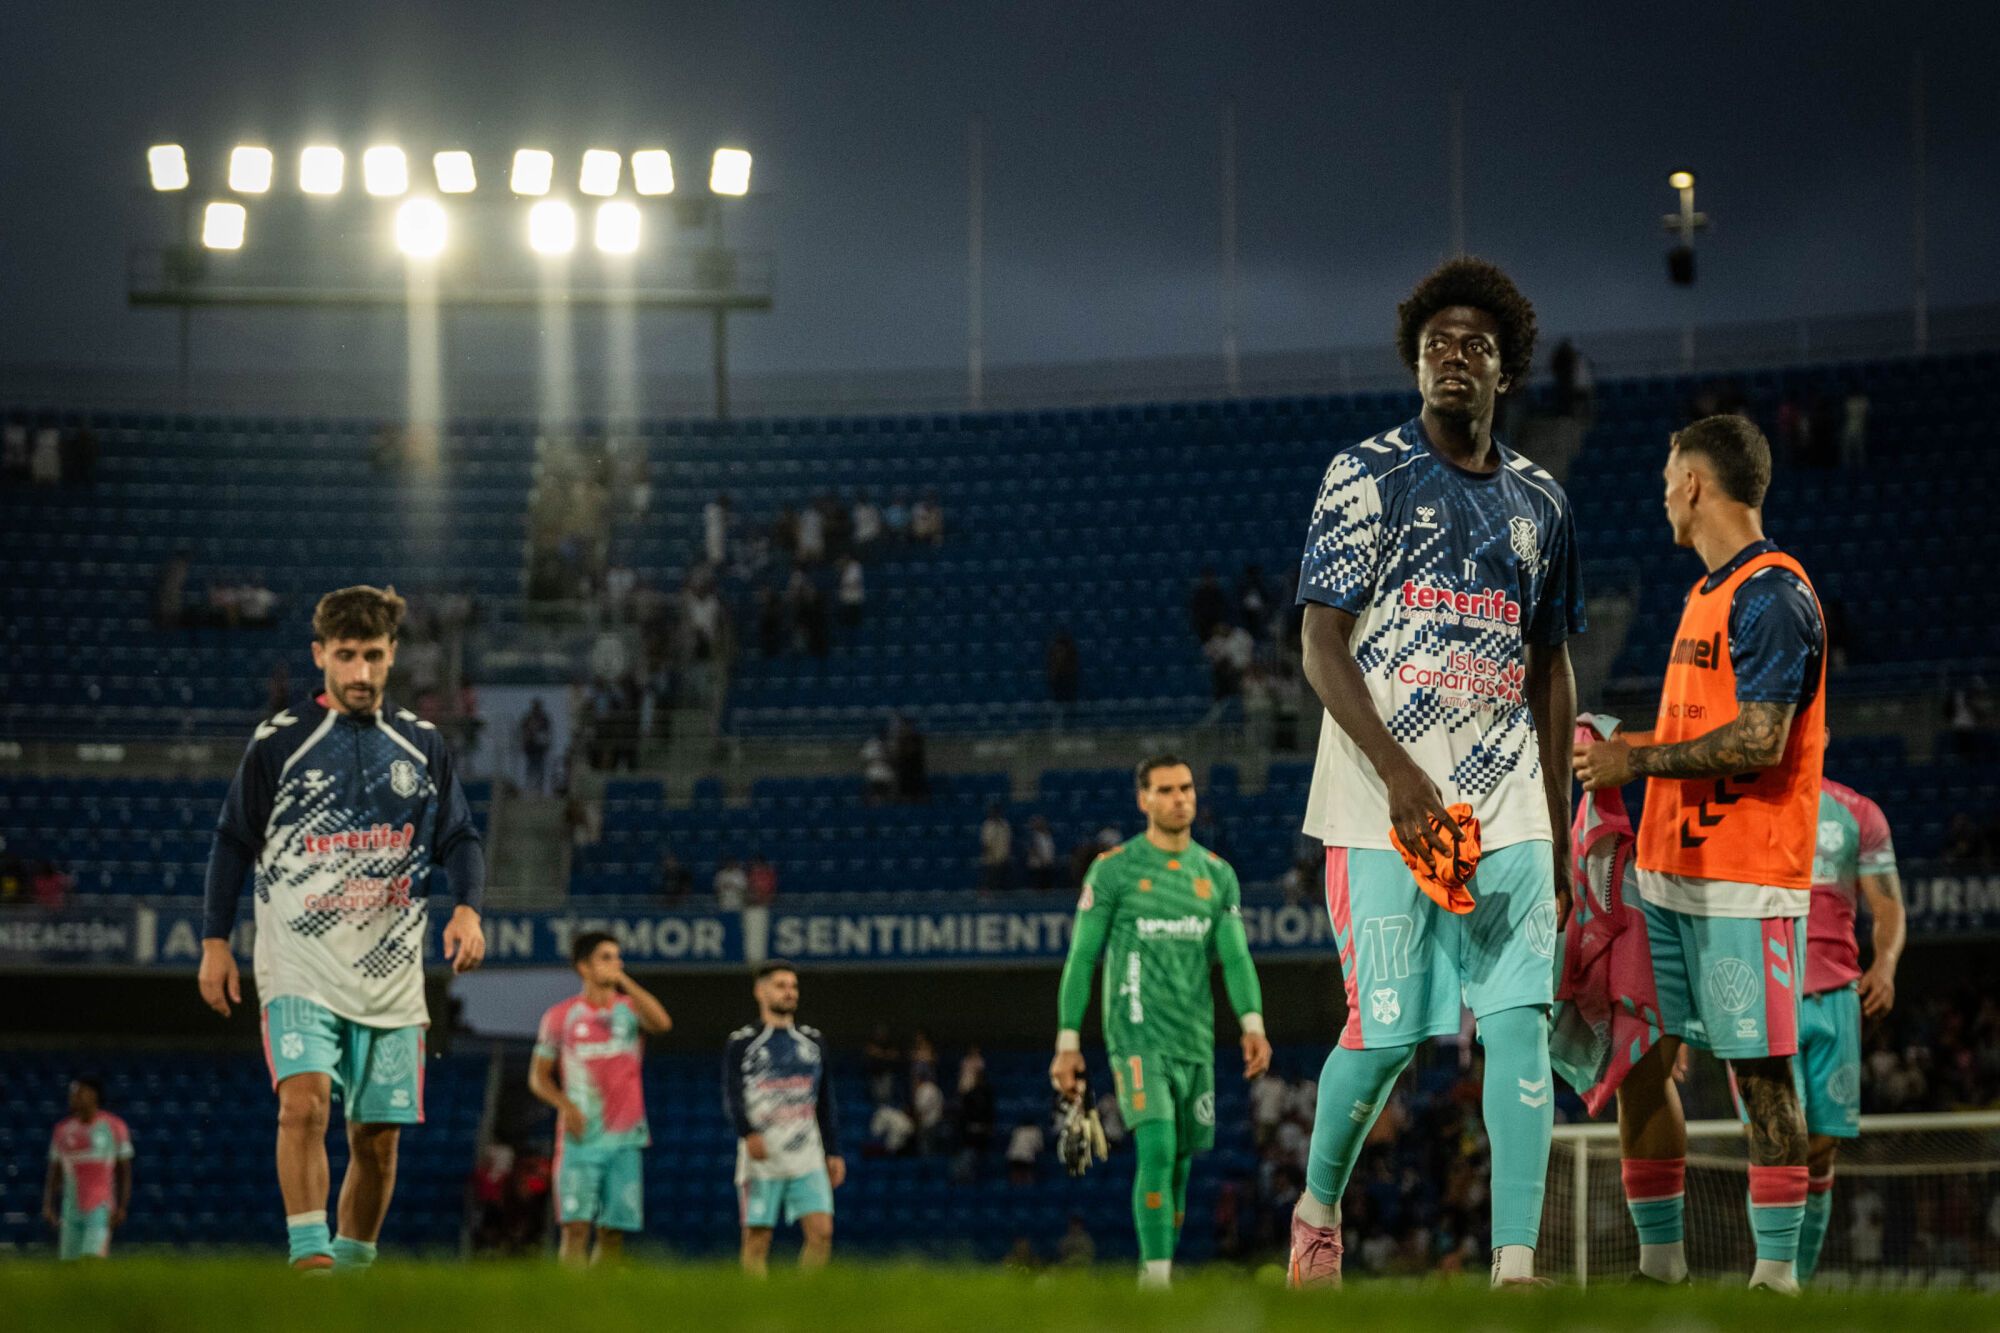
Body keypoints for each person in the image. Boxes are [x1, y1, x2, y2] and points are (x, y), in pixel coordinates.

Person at [1290, 259, 1584, 1289]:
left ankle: (1511, 1266)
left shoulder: (1541, 501)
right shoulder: (1361, 474)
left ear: (1504, 372)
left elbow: (1550, 667)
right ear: (1415, 364)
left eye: (1475, 345)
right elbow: (1319, 645)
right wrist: (1399, 775)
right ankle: (1316, 1211)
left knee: (1517, 1024)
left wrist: (1556, 826)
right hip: (1379, 806)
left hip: (1506, 801)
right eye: (1435, 345)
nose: (1451, 357)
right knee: (1382, 1043)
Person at [1574, 414, 1828, 1292]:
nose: (1660, 495)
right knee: (1641, 1060)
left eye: (1666, 478)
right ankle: (1660, 1266)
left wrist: (1632, 756)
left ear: (1692, 483)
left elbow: (1760, 739)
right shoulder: (1705, 593)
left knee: (1758, 1072)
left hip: (1744, 881)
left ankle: (1776, 1276)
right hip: (1666, 876)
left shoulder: (1774, 594)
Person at [197, 584, 487, 1271]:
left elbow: (462, 837)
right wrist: (214, 939)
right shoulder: (281, 741)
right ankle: (309, 1259)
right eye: (347, 655)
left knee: (378, 1138)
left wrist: (469, 906)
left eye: (375, 656)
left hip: (389, 975)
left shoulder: (420, 743)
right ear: (319, 654)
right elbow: (234, 839)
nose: (361, 672)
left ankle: (355, 1273)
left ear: (393, 657)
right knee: (304, 1105)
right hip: (300, 962)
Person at [1051, 755, 1271, 1288]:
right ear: (1142, 799)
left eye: (1187, 788)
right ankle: (1156, 1281)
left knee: (1181, 1164)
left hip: (1194, 1039)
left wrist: (1252, 1023)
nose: (1180, 798)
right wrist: (1068, 1040)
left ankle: (1161, 1274)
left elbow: (1235, 958)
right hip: (1135, 1033)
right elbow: (1082, 957)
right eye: (1166, 790)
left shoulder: (1217, 874)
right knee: (1157, 1145)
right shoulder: (1114, 869)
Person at [1774, 763, 1906, 1283]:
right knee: (1776, 1137)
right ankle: (1774, 1278)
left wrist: (1886, 964)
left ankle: (1796, 1283)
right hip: (1768, 992)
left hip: (1836, 996)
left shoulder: (1858, 813)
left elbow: (1887, 903)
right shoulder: (1747, 803)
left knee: (1821, 1151)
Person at [527, 932, 672, 1268]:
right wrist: (565, 1105)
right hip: (580, 1140)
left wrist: (624, 981)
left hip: (625, 1141)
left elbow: (663, 1023)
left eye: (618, 957)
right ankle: (569, 1308)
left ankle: (599, 1306)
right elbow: (538, 1077)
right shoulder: (560, 1017)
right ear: (584, 967)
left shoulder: (630, 1011)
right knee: (575, 1230)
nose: (616, 963)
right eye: (606, 957)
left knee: (613, 1233)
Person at [724, 961, 844, 1275]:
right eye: (781, 986)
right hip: (763, 1156)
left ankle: (805, 1305)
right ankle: (753, 1309)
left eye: (793, 986)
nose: (789, 992)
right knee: (757, 1238)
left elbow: (825, 1099)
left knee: (822, 1233)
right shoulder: (743, 1043)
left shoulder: (813, 1041)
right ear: (760, 991)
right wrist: (747, 1133)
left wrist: (833, 1150)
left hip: (807, 1154)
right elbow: (732, 1094)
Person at [43, 1076, 133, 1261]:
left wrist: (122, 1206)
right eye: (72, 1094)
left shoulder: (114, 1127)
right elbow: (55, 1171)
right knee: (69, 1264)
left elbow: (124, 1170)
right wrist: (48, 1204)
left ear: (93, 1095)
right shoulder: (62, 1130)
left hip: (100, 1207)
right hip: (70, 1208)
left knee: (92, 1261)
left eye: (79, 1092)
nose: (73, 1097)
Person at [520, 699, 553, 796]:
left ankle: (539, 789)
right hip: (530, 748)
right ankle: (529, 788)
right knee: (530, 769)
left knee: (540, 769)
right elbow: (523, 731)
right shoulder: (527, 718)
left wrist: (547, 745)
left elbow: (547, 733)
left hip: (540, 748)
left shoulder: (544, 719)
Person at [979, 803, 1013, 894]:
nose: (994, 814)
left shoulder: (1005, 824)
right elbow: (985, 843)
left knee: (1003, 882)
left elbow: (1008, 841)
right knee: (990, 881)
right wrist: (989, 857)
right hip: (991, 859)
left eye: (996, 812)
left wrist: (1006, 855)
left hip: (1003, 858)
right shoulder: (987, 825)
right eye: (992, 812)